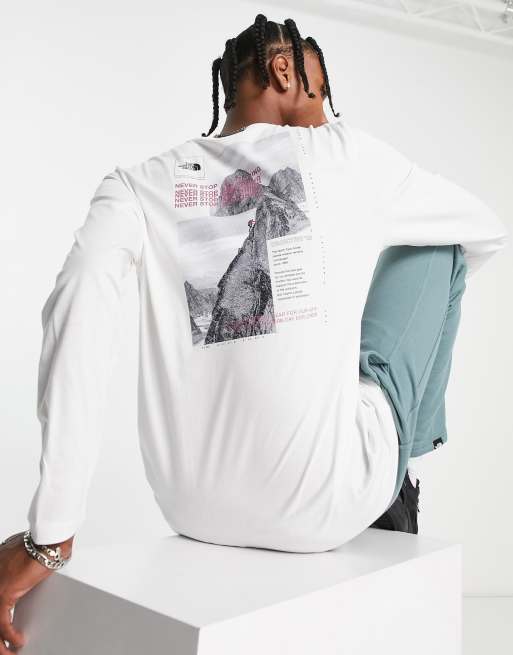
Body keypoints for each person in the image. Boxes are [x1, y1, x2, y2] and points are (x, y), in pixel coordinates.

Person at [0, 12, 508, 651]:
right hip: (327, 503)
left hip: (190, 506)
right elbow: (484, 229)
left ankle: (368, 433)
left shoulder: (135, 184)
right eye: (322, 93)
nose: (328, 113)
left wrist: (50, 534)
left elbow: (76, 309)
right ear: (284, 70)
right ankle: (396, 473)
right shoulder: (347, 155)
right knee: (440, 246)